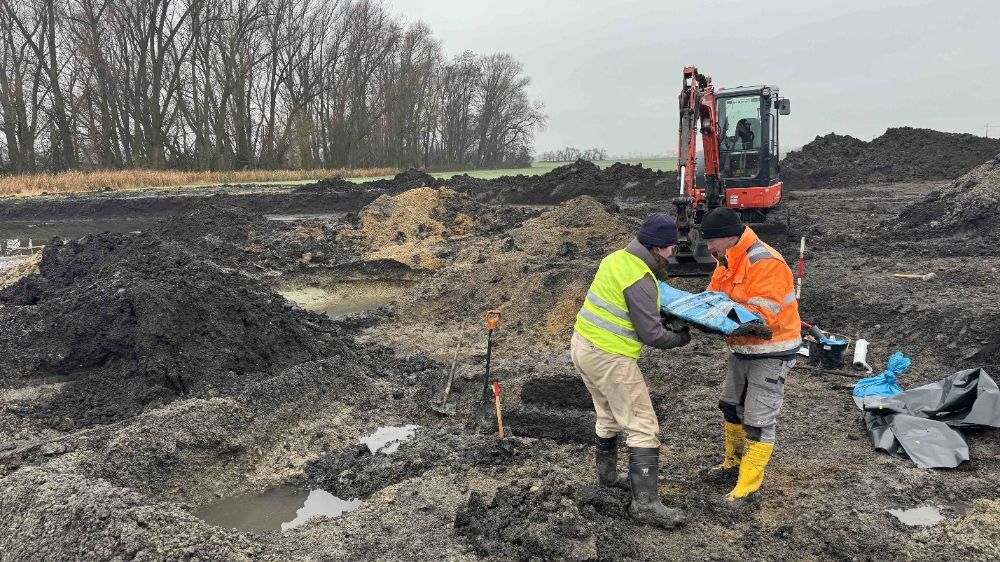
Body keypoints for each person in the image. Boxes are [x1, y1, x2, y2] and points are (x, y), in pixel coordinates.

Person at [571, 213, 691, 528]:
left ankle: (608, 478)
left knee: (608, 416)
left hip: (583, 346)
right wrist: (681, 338)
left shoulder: (616, 259)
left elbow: (628, 309)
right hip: (610, 357)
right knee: (643, 425)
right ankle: (646, 505)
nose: (671, 255)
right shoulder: (640, 278)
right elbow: (652, 334)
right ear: (657, 248)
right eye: (669, 249)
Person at [701, 207, 801, 504]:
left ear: (728, 237)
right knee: (730, 406)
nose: (708, 248)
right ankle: (732, 464)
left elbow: (762, 318)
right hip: (742, 347)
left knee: (758, 420)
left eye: (711, 242)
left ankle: (748, 486)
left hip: (771, 350)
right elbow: (713, 297)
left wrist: (719, 321)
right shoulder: (728, 259)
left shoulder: (764, 262)